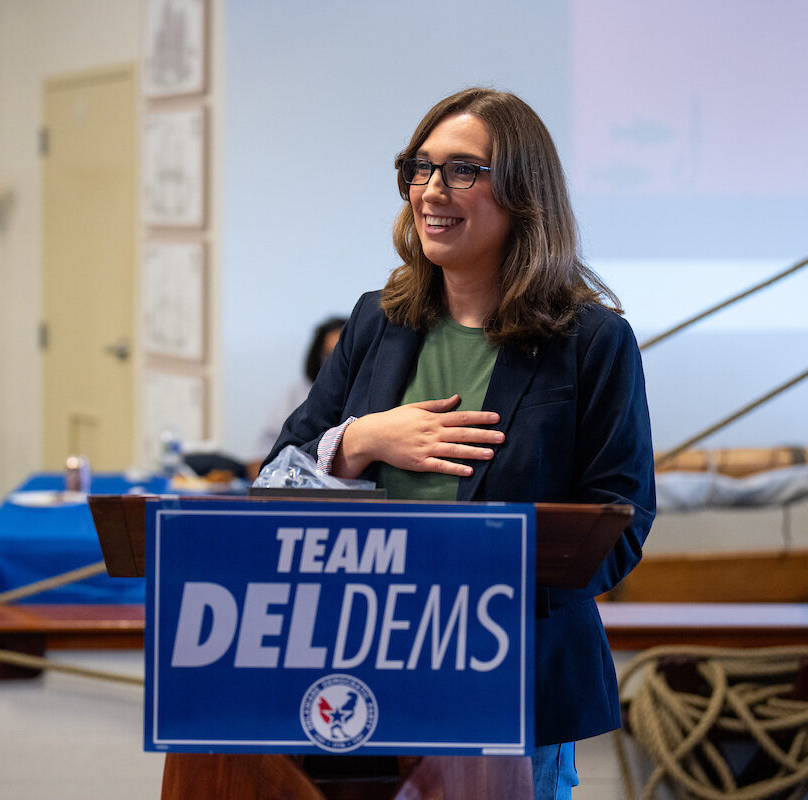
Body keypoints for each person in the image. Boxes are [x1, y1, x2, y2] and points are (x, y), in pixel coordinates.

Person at [263, 87, 656, 799]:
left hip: (512, 690)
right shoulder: (376, 322)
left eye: (463, 170)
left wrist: (473, 589)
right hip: (360, 677)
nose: (432, 190)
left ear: (525, 195)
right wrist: (360, 441)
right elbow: (271, 489)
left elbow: (619, 533)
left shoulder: (593, 343)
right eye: (420, 167)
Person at [249, 315, 346, 474]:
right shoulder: (299, 393)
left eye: (342, 354)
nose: (337, 363)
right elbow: (258, 459)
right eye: (329, 355)